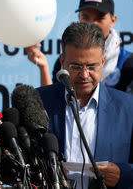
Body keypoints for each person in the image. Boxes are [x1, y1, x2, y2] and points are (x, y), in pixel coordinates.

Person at [37, 22, 133, 188]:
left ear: (103, 61)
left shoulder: (128, 108)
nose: (84, 74)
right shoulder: (38, 101)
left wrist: (122, 174)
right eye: (75, 66)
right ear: (62, 62)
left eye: (91, 66)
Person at [26, 0, 132, 90]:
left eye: (99, 18)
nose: (92, 24)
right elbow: (54, 102)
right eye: (86, 17)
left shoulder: (128, 63)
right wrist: (43, 67)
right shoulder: (64, 62)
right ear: (79, 17)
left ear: (113, 20)